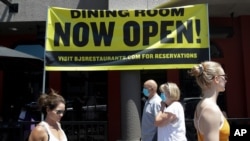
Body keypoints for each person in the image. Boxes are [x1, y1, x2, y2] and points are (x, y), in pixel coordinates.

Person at [188, 61, 230, 141]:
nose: (225, 80)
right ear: (217, 79)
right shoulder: (210, 110)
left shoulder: (203, 105)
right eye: (224, 76)